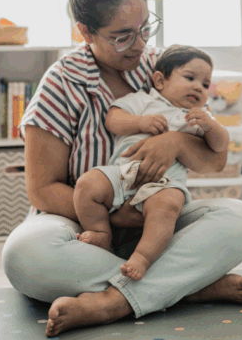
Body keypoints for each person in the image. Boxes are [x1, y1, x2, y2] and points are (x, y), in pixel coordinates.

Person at [2, 0, 242, 338]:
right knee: (24, 256)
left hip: (158, 216)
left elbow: (212, 163)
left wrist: (174, 143)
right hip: (84, 222)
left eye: (144, 29)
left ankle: (114, 301)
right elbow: (41, 190)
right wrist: (113, 217)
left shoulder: (162, 70)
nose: (139, 46)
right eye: (122, 37)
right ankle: (186, 287)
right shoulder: (61, 83)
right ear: (85, 32)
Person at [74, 44, 231, 281]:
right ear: (159, 81)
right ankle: (100, 231)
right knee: (87, 184)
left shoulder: (200, 116)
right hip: (122, 173)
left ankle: (143, 258)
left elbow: (220, 147)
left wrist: (211, 126)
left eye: (205, 84)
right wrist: (140, 123)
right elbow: (113, 119)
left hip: (164, 184)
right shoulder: (143, 101)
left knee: (167, 207)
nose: (198, 87)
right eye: (190, 77)